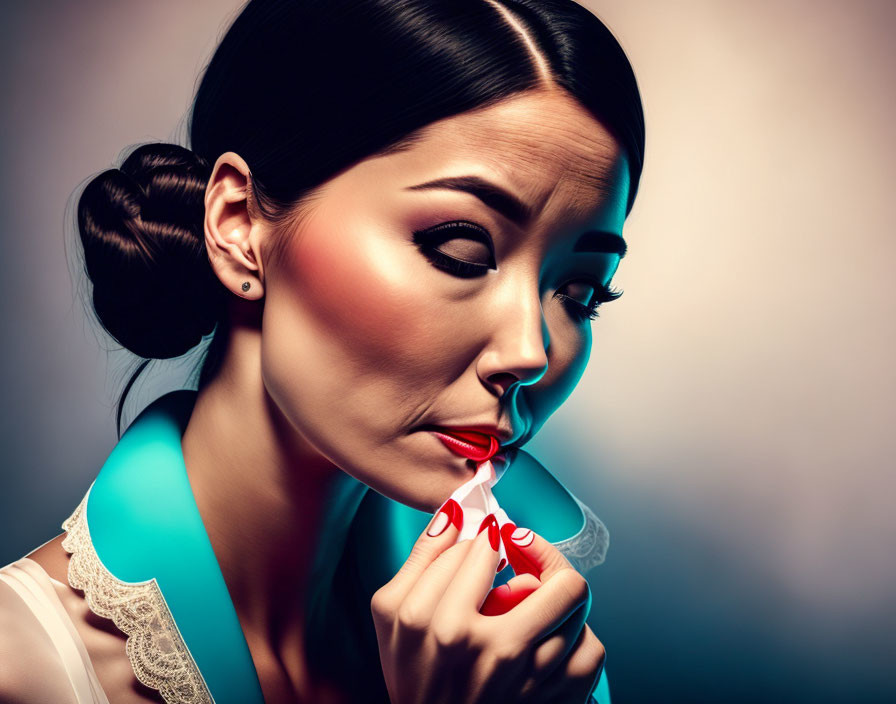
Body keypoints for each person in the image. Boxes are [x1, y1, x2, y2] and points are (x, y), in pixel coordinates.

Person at [0, 0, 645, 701]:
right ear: (240, 224)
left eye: (581, 294)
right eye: (459, 250)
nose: (530, 351)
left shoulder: (514, 645)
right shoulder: (22, 669)